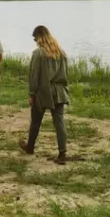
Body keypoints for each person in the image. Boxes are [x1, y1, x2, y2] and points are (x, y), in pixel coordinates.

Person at [18, 25, 70, 165]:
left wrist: (31, 93)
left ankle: (30, 147)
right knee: (59, 122)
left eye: (35, 39)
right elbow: (65, 74)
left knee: (36, 120)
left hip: (43, 92)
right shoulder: (61, 52)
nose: (35, 42)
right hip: (59, 91)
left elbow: (34, 76)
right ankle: (62, 153)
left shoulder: (38, 53)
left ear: (39, 38)